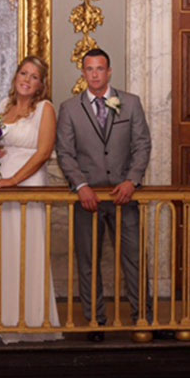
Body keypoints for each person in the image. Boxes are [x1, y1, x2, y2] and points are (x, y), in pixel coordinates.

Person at [56, 48, 158, 342]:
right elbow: (65, 152)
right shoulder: (69, 109)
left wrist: (132, 181)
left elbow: (142, 146)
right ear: (83, 72)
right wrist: (81, 186)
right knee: (88, 260)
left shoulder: (131, 103)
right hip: (88, 198)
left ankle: (143, 316)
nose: (95, 74)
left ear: (109, 71)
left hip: (124, 195)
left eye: (100, 69)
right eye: (90, 69)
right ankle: (95, 320)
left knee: (135, 258)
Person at [0, 56, 61, 343]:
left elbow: (43, 152)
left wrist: (14, 180)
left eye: (34, 76)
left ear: (40, 84)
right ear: (16, 76)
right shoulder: (3, 107)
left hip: (27, 185)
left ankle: (29, 319)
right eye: (23, 73)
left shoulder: (45, 109)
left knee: (25, 249)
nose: (26, 79)